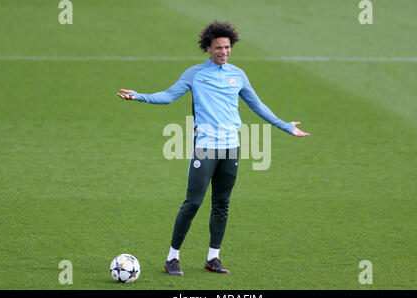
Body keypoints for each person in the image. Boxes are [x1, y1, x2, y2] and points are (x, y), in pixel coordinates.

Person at [117, 21, 310, 276]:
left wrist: (285, 126)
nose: (224, 51)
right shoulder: (195, 74)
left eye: (227, 47)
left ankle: (213, 258)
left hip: (232, 149)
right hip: (205, 148)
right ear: (208, 48)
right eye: (218, 47)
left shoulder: (238, 75)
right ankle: (172, 258)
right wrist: (140, 95)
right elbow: (169, 95)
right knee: (193, 202)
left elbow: (258, 106)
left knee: (222, 203)